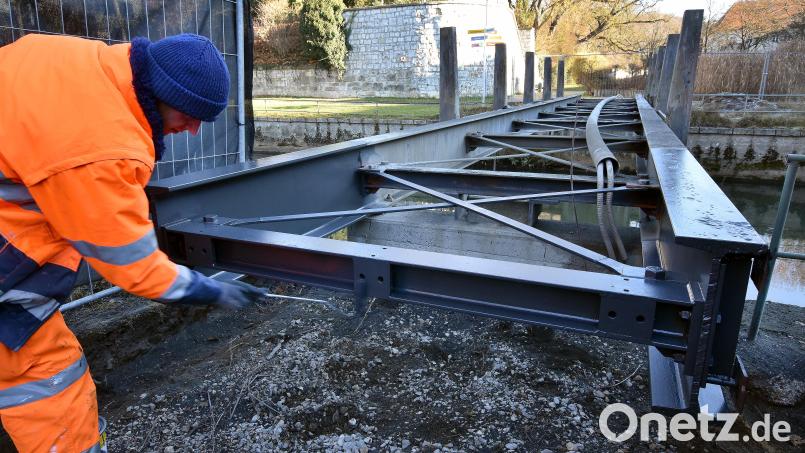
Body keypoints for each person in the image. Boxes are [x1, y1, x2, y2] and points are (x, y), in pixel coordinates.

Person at [0, 33, 263, 452]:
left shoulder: (77, 60)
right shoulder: (102, 147)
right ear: (163, 92)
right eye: (192, 115)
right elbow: (130, 263)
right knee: (48, 378)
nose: (194, 130)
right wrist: (207, 289)